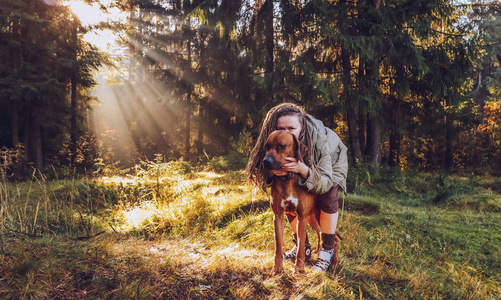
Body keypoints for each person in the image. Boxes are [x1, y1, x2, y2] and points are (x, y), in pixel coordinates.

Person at [246, 103, 348, 272]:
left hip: (331, 161)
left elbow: (324, 182)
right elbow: (261, 170)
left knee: (328, 193)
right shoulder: (274, 137)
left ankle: (327, 251)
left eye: (292, 128)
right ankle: (303, 247)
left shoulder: (319, 141)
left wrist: (304, 170)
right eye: (281, 127)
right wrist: (273, 173)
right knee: (285, 192)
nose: (286, 131)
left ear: (302, 127)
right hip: (298, 164)